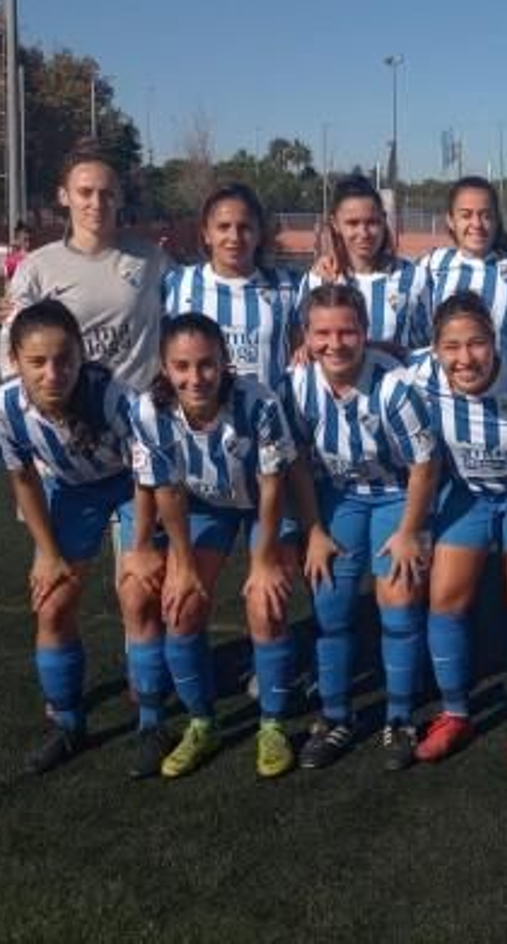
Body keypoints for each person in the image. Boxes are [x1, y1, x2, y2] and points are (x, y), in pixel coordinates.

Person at [127, 314, 301, 778]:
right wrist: (183, 565)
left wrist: (262, 561)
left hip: (263, 505)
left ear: (224, 361)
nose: (195, 377)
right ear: (164, 367)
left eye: (206, 364)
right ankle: (203, 723)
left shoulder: (257, 402)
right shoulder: (149, 411)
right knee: (181, 608)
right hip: (206, 507)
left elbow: (272, 485)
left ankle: (272, 725)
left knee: (266, 603)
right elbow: (166, 491)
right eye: (181, 366)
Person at [0, 300, 143, 773]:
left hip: (133, 485)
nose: (53, 374)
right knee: (52, 604)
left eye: (64, 359)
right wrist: (47, 554)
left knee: (140, 594)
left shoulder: (116, 399)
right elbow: (24, 479)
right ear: (14, 360)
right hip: (71, 490)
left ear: (80, 355)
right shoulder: (0, 408)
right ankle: (68, 724)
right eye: (37, 362)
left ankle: (152, 718)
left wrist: (143, 547)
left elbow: (150, 475)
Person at [280, 284, 440, 770]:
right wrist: (313, 530)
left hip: (397, 494)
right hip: (341, 494)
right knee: (329, 599)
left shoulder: (394, 386)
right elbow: (297, 462)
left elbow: (425, 465)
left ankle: (400, 716)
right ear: (306, 335)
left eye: (347, 331)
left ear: (365, 332)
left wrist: (409, 531)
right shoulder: (298, 383)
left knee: (398, 598)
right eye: (323, 333)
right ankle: (335, 715)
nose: (335, 343)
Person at [407, 292, 507, 767]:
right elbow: (369, 367)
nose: (465, 358)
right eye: (451, 346)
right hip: (468, 494)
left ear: (494, 342)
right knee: (444, 599)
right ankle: (455, 712)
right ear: (435, 349)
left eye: (476, 343)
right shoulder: (419, 374)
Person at [0, 146, 169, 389]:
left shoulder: (153, 260)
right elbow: (11, 344)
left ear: (120, 197)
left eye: (107, 193)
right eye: (85, 192)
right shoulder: (36, 267)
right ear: (64, 196)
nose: (96, 203)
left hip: (137, 407)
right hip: (70, 408)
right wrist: (23, 399)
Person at [164, 183, 301, 387]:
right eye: (223, 227)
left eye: (244, 227)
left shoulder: (288, 286)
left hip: (271, 406)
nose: (234, 237)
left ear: (259, 233)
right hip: (198, 407)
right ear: (206, 233)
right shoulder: (176, 283)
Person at [299, 175, 427, 356]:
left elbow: (427, 347)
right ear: (335, 224)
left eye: (372, 222)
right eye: (352, 223)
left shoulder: (415, 277)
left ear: (383, 220)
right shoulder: (317, 280)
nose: (364, 233)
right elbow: (302, 346)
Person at [420, 176, 507, 355]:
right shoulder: (433, 263)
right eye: (466, 215)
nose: (477, 224)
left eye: (486, 215)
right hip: (447, 372)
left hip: (504, 372)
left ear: (497, 220)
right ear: (450, 220)